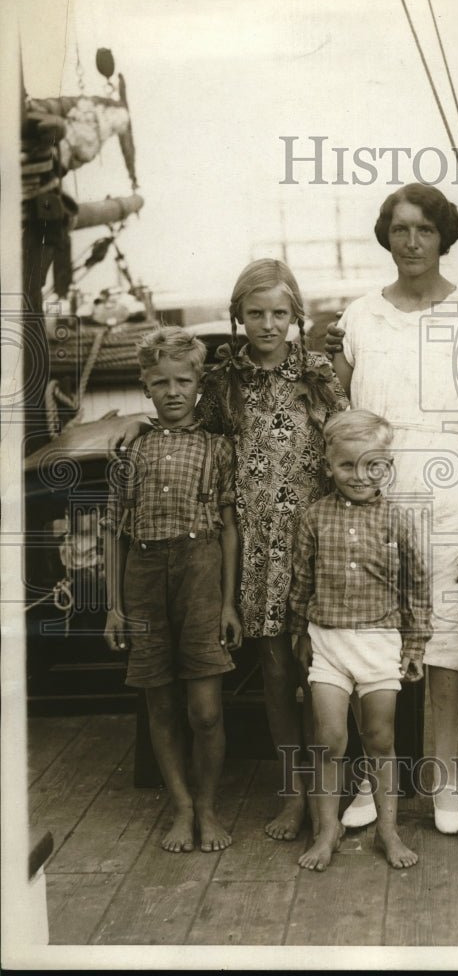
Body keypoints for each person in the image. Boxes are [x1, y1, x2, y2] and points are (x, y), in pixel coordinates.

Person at [116, 259, 347, 842]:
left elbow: (344, 443)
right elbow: (188, 431)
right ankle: (294, 795)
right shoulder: (222, 382)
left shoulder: (319, 374)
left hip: (311, 544)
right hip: (253, 551)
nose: (267, 324)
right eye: (254, 313)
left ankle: (332, 797)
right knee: (274, 679)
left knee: (320, 674)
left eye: (278, 313)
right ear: (237, 316)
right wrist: (136, 427)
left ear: (297, 315)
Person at [327, 184, 458, 835]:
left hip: (456, 498)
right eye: (398, 229)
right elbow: (337, 417)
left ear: (442, 236)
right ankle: (377, 784)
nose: (410, 242)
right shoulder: (359, 316)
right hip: (374, 501)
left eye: (423, 229)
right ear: (386, 236)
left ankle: (448, 784)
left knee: (448, 648)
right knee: (371, 643)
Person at [103, 326, 242, 853]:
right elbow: (116, 531)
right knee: (159, 704)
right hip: (142, 576)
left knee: (204, 710)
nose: (173, 391)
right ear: (144, 386)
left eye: (184, 380)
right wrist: (114, 608)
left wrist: (229, 602)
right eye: (160, 381)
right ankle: (182, 807)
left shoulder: (217, 447)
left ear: (199, 383)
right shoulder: (129, 448)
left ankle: (208, 805)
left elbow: (230, 530)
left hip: (202, 573)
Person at [288, 410, 430, 870]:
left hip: (379, 644)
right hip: (327, 642)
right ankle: (327, 829)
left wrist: (414, 647)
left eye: (373, 465)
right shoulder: (313, 518)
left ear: (387, 467)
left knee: (380, 737)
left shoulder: (399, 520)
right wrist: (299, 633)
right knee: (329, 740)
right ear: (328, 465)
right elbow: (301, 581)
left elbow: (416, 588)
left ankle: (388, 830)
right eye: (347, 465)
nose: (359, 475)